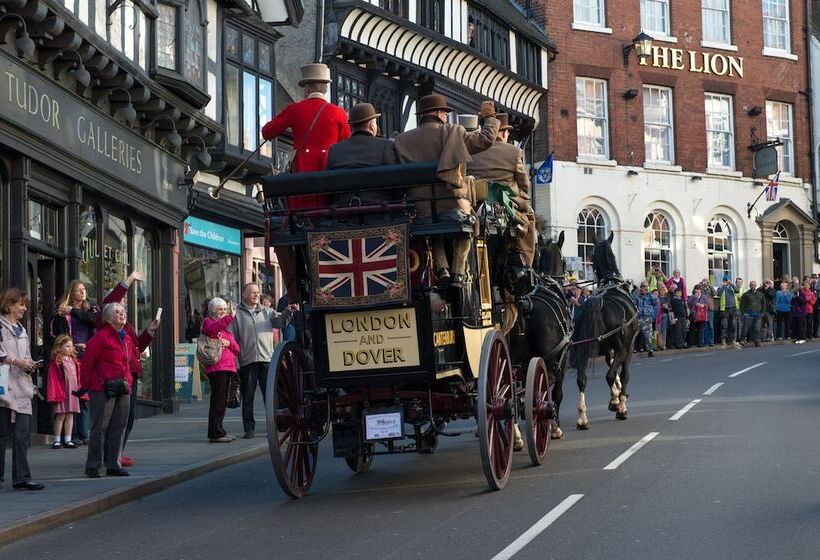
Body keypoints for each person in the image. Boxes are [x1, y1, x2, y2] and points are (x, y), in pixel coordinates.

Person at [261, 63, 351, 302]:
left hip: (301, 188)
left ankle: (303, 281)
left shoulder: (296, 109)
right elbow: (346, 145)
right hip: (329, 187)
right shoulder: (338, 114)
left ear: (306, 88)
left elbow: (267, 131)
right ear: (325, 88)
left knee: (300, 229)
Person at [394, 94, 500, 287]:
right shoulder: (453, 132)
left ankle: (442, 268)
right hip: (452, 205)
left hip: (420, 211)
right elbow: (485, 139)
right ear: (439, 113)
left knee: (434, 231)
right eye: (444, 113)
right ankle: (458, 272)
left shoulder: (402, 140)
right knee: (468, 225)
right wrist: (490, 118)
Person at [101, 271, 159, 467]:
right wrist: (131, 279)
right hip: (114, 376)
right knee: (114, 419)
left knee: (127, 418)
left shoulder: (127, 328)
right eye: (119, 305)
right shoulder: (105, 325)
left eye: (124, 305)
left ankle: (117, 453)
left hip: (130, 376)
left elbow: (137, 348)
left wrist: (149, 332)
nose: (123, 307)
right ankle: (110, 456)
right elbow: (111, 300)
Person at [231, 283, 297, 439]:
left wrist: (288, 311)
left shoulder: (267, 311)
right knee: (248, 397)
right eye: (252, 292)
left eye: (257, 292)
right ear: (244, 295)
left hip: (267, 360)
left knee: (270, 397)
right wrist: (235, 362)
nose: (256, 295)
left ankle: (274, 426)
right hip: (247, 360)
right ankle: (249, 429)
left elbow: (280, 322)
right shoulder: (237, 314)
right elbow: (233, 338)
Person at [80, 303, 133, 478]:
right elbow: (87, 362)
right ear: (108, 318)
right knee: (100, 427)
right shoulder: (101, 337)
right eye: (117, 312)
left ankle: (113, 464)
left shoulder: (126, 337)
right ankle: (93, 465)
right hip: (102, 388)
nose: (122, 314)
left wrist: (129, 382)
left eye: (123, 311)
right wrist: (86, 385)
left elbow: (128, 363)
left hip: (123, 387)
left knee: (119, 426)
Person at [0, 288, 44, 490]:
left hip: (23, 387)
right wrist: (15, 361)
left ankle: (22, 478)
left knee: (22, 435)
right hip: (4, 387)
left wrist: (30, 364)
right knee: (1, 434)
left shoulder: (22, 330)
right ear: (9, 305)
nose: (25, 309)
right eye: (21, 304)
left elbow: (25, 356)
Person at [52, 279, 100, 445]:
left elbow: (94, 320)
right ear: (71, 293)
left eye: (84, 289)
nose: (82, 292)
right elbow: (56, 335)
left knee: (84, 396)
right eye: (79, 289)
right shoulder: (61, 313)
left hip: (87, 355)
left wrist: (73, 311)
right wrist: (71, 345)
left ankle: (82, 434)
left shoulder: (91, 309)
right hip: (70, 357)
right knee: (71, 395)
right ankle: (68, 436)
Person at [201, 298, 240, 443]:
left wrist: (229, 343)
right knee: (217, 401)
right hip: (217, 367)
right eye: (220, 309)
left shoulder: (226, 329)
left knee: (222, 402)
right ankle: (215, 433)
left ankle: (219, 431)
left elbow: (237, 349)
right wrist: (230, 317)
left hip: (228, 368)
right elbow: (212, 329)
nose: (223, 312)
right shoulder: (208, 322)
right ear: (212, 311)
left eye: (224, 309)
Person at [326, 103, 398, 174]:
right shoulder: (385, 147)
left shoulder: (334, 150)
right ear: (372, 126)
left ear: (352, 126)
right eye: (375, 122)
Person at [46, 335, 83, 449]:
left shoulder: (74, 360)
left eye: (71, 346)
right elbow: (53, 378)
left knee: (70, 414)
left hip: (72, 391)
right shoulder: (57, 361)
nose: (70, 348)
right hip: (62, 391)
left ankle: (68, 439)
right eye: (67, 346)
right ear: (59, 347)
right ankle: (57, 439)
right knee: (61, 415)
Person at [632, 281, 658, 357]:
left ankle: (650, 350)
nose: (645, 288)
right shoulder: (637, 295)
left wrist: (649, 293)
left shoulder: (650, 296)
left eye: (646, 286)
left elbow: (656, 301)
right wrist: (637, 291)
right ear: (641, 287)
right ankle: (629, 349)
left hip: (647, 318)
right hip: (638, 317)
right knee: (633, 334)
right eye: (643, 286)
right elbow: (632, 299)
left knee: (648, 335)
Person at [739, 281, 765, 348]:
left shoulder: (760, 294)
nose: (753, 286)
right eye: (751, 285)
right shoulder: (745, 294)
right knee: (746, 328)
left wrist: (762, 313)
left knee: (757, 329)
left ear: (756, 285)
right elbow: (742, 305)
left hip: (758, 314)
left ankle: (757, 342)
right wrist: (744, 313)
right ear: (749, 286)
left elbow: (763, 304)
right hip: (748, 314)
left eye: (754, 285)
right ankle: (742, 340)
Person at [717, 275, 740, 346]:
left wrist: (731, 284)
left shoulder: (732, 287)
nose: (727, 282)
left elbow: (737, 291)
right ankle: (723, 340)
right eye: (725, 281)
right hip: (725, 309)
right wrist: (724, 286)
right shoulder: (721, 288)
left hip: (733, 308)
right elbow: (719, 294)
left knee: (733, 325)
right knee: (724, 325)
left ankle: (732, 340)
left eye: (727, 281)